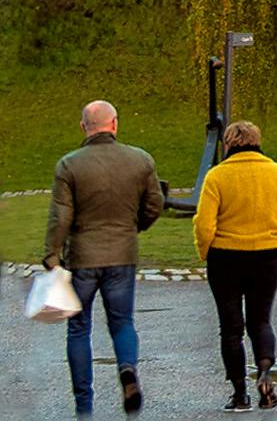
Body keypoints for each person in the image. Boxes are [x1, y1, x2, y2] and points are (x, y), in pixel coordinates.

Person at [45, 98, 165, 417]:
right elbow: (155, 203)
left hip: (82, 257)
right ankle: (127, 369)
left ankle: (84, 405)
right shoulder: (140, 160)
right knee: (122, 322)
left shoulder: (69, 165)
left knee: (78, 327)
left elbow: (61, 216)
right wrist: (133, 227)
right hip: (122, 255)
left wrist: (51, 255)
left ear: (84, 127)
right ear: (114, 124)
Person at [193, 120, 277, 412]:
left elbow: (205, 224)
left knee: (230, 328)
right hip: (266, 256)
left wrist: (204, 251)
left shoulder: (217, 176)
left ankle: (240, 393)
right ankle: (265, 372)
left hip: (225, 257)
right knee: (261, 321)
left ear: (228, 144)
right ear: (257, 141)